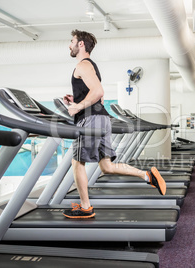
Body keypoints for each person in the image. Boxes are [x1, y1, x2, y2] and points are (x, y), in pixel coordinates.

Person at [62, 29, 166, 219]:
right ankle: (147, 176)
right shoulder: (91, 66)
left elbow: (98, 92)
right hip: (101, 118)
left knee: (77, 162)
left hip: (90, 120)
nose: (69, 45)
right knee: (107, 167)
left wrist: (77, 108)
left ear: (81, 44)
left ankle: (85, 207)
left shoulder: (82, 66)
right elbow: (95, 93)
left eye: (72, 41)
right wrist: (75, 100)